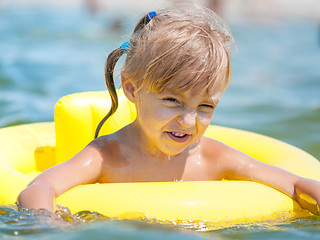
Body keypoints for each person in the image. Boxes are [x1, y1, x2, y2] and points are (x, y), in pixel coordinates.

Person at [18, 5, 320, 215]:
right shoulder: (106, 156)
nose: (189, 121)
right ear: (133, 89)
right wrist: (46, 222)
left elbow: (293, 183)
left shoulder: (213, 157)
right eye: (172, 101)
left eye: (205, 106)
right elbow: (40, 186)